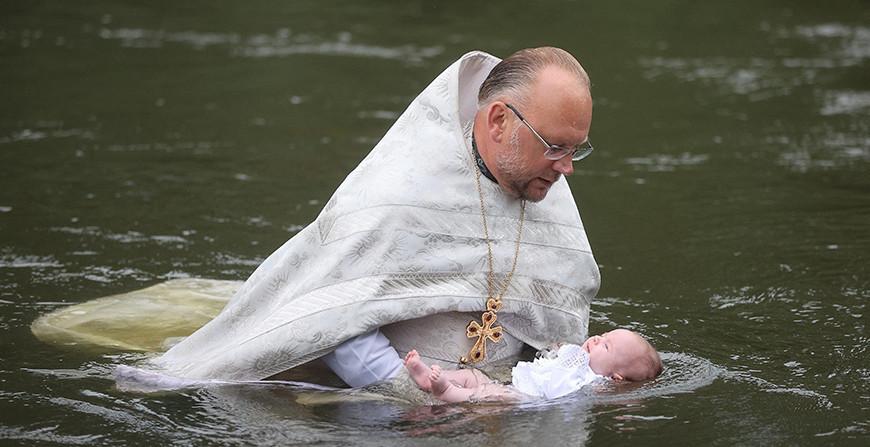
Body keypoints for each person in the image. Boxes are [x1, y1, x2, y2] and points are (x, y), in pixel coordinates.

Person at [151, 47, 601, 389]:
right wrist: (410, 393)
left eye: (576, 148)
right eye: (554, 146)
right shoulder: (401, 192)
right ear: (500, 121)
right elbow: (334, 321)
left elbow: (557, 341)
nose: (568, 167)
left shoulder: (547, 195)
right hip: (379, 408)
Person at [404, 329, 663, 403]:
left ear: (616, 377)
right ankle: (430, 376)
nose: (597, 339)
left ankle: (446, 390)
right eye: (603, 335)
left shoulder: (596, 382)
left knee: (484, 395)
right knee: (473, 375)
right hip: (517, 383)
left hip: (523, 398)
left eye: (606, 346)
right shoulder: (578, 353)